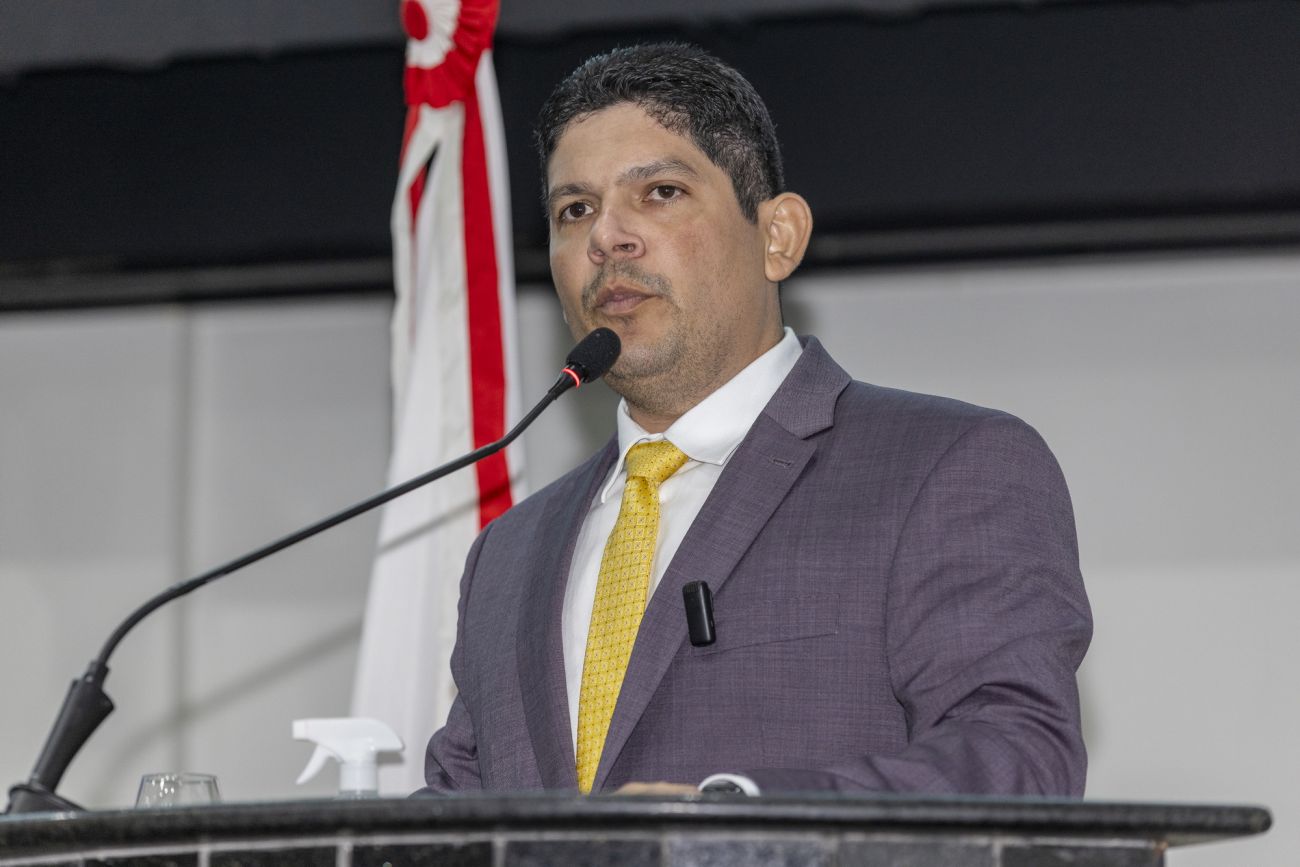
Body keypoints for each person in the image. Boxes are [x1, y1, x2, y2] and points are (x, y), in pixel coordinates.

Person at [421, 42, 1092, 797]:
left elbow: (1016, 760)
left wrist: (736, 822)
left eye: (660, 192)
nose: (606, 238)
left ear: (778, 237)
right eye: (574, 210)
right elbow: (458, 813)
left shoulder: (948, 468)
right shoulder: (509, 552)